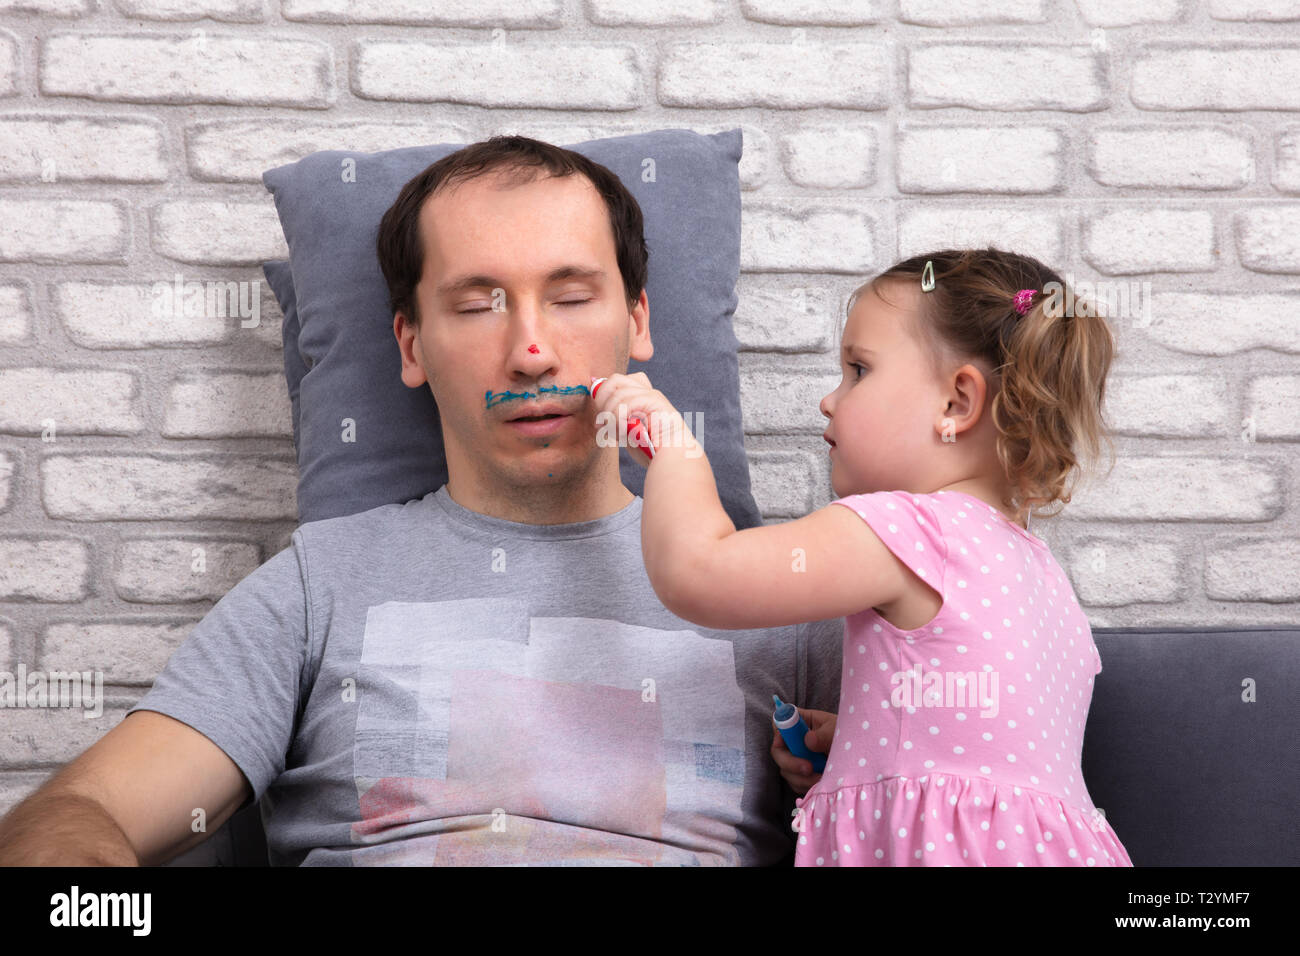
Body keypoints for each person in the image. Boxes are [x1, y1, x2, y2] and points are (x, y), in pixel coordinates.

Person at [0, 136, 842, 867]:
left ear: (639, 321)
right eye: (478, 305)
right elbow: (86, 812)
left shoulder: (784, 595)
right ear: (411, 344)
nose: (531, 352)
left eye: (574, 297)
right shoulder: (316, 589)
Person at [589, 248, 1135, 866]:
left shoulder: (907, 528)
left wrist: (673, 451)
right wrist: (857, 748)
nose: (829, 400)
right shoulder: (1044, 577)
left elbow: (698, 573)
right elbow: (978, 747)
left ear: (957, 403)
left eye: (857, 370)